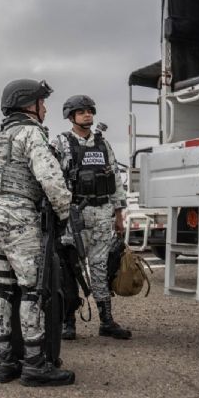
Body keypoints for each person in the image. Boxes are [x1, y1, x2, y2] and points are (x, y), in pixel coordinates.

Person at [0, 79, 75, 386]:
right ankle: (35, 363)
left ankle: (5, 361)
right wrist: (64, 216)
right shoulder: (31, 132)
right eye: (41, 102)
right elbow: (51, 178)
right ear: (28, 104)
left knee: (2, 287)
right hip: (17, 215)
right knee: (32, 288)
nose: (45, 107)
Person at [51, 95, 131, 340]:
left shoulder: (102, 144)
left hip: (102, 213)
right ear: (71, 116)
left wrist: (119, 214)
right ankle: (68, 321)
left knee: (100, 268)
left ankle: (106, 321)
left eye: (89, 111)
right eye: (81, 111)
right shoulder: (61, 143)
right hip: (75, 216)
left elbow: (115, 179)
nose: (87, 115)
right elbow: (53, 179)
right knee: (70, 270)